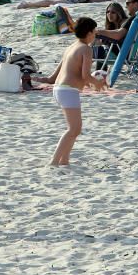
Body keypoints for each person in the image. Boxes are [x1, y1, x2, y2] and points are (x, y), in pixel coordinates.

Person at [39, 17, 107, 166]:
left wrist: (92, 83)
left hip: (59, 89)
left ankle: (64, 160)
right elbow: (85, 75)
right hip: (68, 91)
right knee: (74, 129)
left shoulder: (71, 47)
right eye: (94, 31)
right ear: (89, 33)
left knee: (74, 130)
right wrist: (98, 83)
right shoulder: (86, 49)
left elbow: (62, 74)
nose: (95, 34)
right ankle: (54, 161)